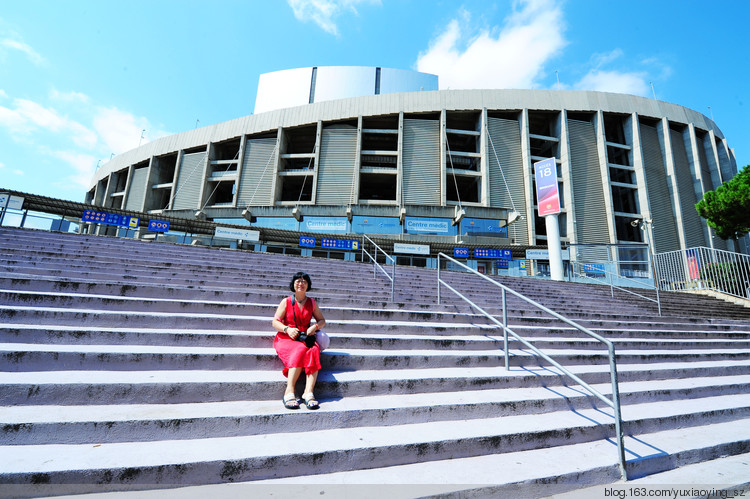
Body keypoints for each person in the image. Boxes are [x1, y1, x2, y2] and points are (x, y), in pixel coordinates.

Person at [272, 271, 327, 410]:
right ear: (293, 284)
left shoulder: (312, 302)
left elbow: (322, 320)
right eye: (298, 281)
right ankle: (289, 391)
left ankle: (308, 392)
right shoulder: (286, 301)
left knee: (314, 349)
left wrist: (314, 327)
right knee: (301, 349)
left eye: (304, 281)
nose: (301, 283)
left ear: (308, 285)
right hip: (287, 337)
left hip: (304, 336)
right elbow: (275, 322)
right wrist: (287, 329)